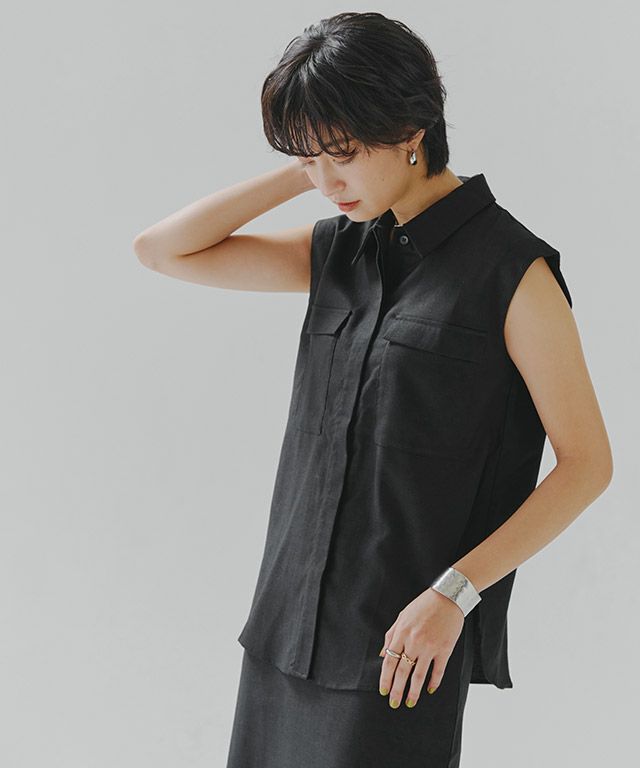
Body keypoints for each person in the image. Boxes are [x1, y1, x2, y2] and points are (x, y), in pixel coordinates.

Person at [133, 11, 613, 768]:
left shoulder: (512, 273)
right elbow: (162, 251)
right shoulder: (339, 252)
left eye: (346, 154)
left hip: (399, 650)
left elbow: (588, 464)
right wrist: (313, 157)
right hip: (284, 633)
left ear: (412, 128)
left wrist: (455, 594)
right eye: (310, 160)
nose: (328, 183)